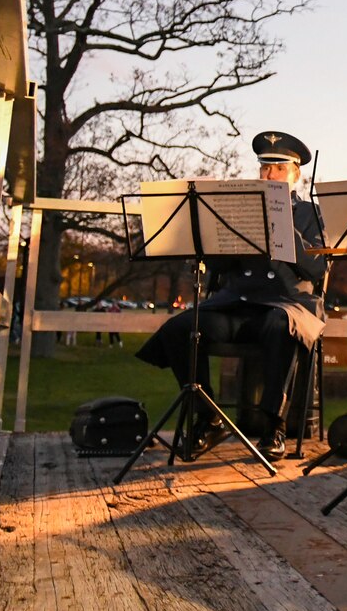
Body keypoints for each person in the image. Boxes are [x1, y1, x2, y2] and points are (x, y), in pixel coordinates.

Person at [136, 131, 328, 458]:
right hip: (237, 304)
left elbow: (317, 270)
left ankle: (273, 425)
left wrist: (283, 227)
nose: (269, 175)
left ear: (296, 174)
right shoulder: (239, 208)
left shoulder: (311, 214)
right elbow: (220, 266)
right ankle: (208, 416)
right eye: (264, 168)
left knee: (281, 325)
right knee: (180, 328)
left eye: (279, 169)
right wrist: (213, 232)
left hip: (287, 305)